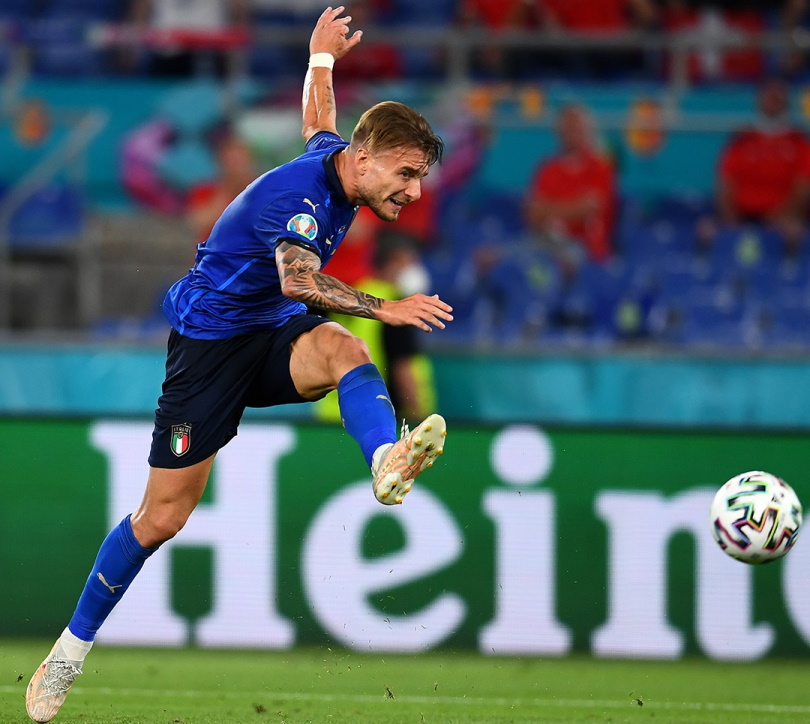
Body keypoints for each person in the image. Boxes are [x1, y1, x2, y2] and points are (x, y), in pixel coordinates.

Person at [24, 7, 452, 723]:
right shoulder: (301, 199)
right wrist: (387, 307)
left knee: (344, 351)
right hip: (211, 348)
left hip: (270, 331)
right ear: (366, 159)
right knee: (162, 517)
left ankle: (386, 459)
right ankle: (68, 651)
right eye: (406, 174)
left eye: (420, 178)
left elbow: (318, 119)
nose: (413, 191)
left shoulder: (337, 161)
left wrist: (320, 59)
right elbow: (297, 279)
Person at [525, 103, 616, 269]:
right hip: (546, 242)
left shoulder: (600, 168)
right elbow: (533, 213)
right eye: (568, 127)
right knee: (495, 260)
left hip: (585, 249)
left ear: (588, 131)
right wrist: (572, 208)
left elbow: (588, 209)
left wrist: (549, 209)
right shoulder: (547, 169)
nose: (572, 132)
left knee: (559, 264)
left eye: (577, 127)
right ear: (558, 131)